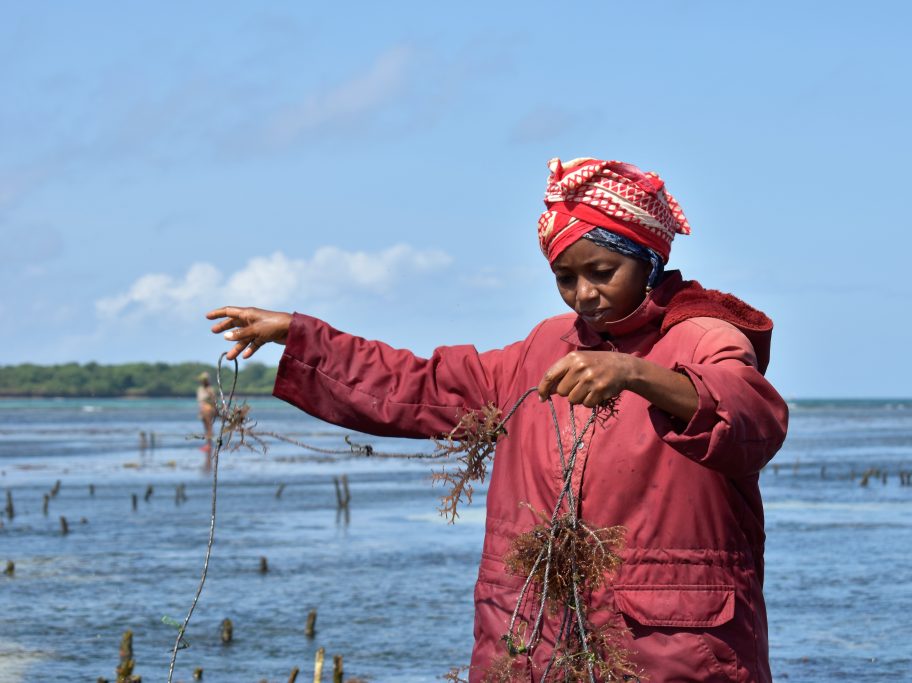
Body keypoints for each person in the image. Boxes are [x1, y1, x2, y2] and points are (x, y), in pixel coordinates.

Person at [207, 157, 788, 682]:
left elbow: (751, 415)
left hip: (671, 650)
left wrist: (637, 376)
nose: (583, 294)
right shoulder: (542, 349)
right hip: (533, 639)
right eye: (566, 278)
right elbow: (419, 384)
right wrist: (301, 336)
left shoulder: (705, 337)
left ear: (650, 260)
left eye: (603, 272)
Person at [196, 371, 216, 453]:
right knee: (206, 429)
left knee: (209, 428)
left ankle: (209, 445)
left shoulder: (210, 389)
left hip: (209, 411)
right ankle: (207, 444)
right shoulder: (200, 389)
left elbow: (213, 401)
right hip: (203, 411)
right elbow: (201, 402)